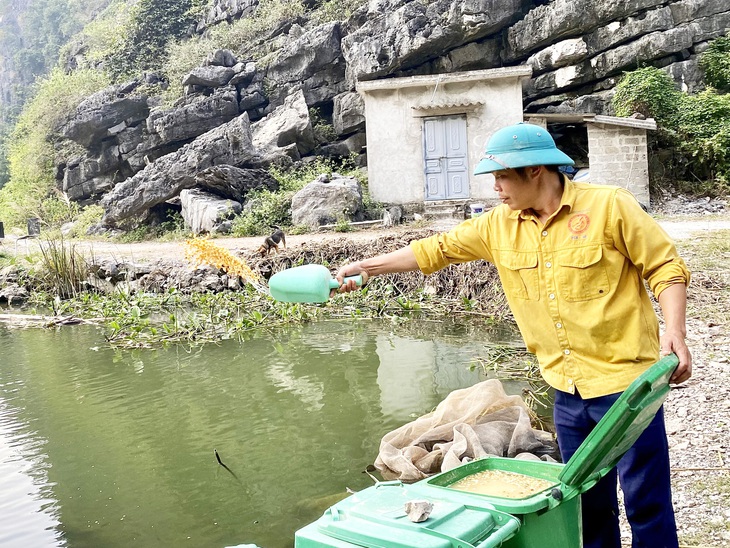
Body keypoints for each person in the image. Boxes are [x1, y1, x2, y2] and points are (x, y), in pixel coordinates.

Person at [335, 122, 692, 548]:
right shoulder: (497, 226)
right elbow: (436, 249)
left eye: (502, 177)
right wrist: (369, 267)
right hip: (567, 390)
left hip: (628, 387)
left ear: (536, 170)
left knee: (645, 499)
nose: (496, 188)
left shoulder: (609, 207)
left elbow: (665, 267)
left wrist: (675, 331)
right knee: (586, 501)